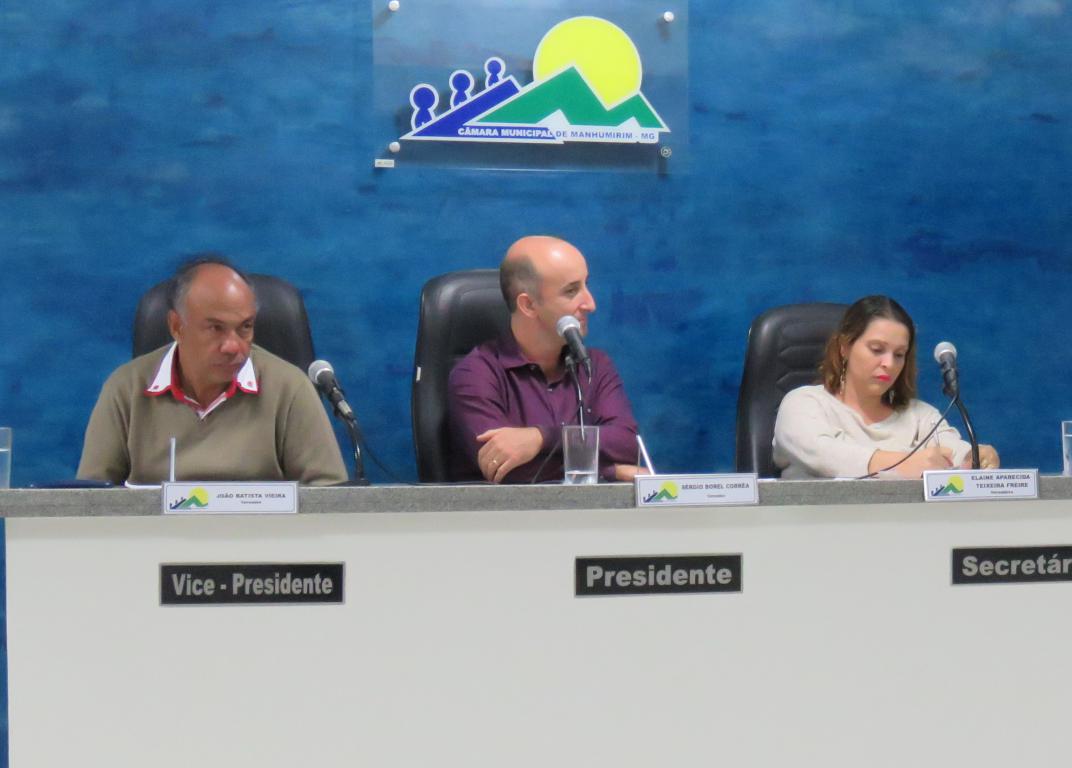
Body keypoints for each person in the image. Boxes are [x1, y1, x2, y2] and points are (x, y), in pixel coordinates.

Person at [77, 256, 348, 485]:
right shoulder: (125, 389)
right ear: (176, 327)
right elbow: (88, 504)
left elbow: (330, 500)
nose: (233, 346)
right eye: (215, 328)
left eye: (245, 327)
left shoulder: (290, 389)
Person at [447, 236, 643, 483]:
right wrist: (612, 472)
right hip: (509, 509)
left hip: (593, 509)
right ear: (528, 305)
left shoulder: (594, 365)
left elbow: (628, 445)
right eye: (571, 291)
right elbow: (510, 473)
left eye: (586, 284)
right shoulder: (475, 375)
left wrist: (540, 438)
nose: (590, 303)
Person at [772, 295, 999, 479]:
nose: (889, 364)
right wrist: (904, 464)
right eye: (877, 349)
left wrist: (975, 456)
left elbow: (954, 450)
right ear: (844, 347)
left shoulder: (921, 416)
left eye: (899, 354)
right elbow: (823, 454)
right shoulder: (802, 404)